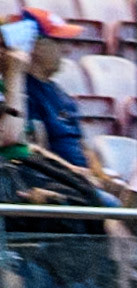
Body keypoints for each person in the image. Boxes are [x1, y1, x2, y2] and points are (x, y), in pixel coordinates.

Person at [20, 7, 86, 168]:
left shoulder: (61, 94)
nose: (66, 49)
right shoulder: (23, 92)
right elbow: (36, 150)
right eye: (58, 41)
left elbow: (83, 145)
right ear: (35, 46)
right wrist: (76, 172)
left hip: (83, 181)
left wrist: (102, 177)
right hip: (57, 182)